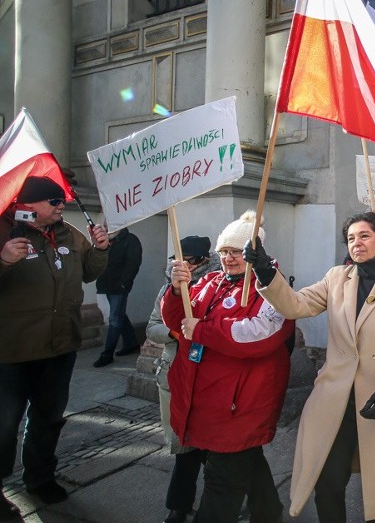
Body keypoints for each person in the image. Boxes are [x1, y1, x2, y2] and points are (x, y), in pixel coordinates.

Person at [245, 211, 375, 522]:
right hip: (335, 401)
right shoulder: (336, 277)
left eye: (364, 236)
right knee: (328, 482)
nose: (357, 243)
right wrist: (265, 271)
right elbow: (296, 304)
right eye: (351, 238)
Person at [160, 211, 293, 523]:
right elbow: (178, 322)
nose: (229, 259)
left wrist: (203, 330)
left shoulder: (272, 288)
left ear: (253, 253)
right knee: (246, 458)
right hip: (209, 400)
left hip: (240, 404)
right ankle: (269, 513)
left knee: (222, 485)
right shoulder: (210, 282)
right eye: (224, 252)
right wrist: (177, 291)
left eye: (236, 252)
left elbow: (257, 337)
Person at [0, 176, 109, 517]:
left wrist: (102, 249)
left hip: (59, 346)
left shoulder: (69, 233)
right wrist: (3, 261)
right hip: (12, 351)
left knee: (48, 418)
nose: (61, 206)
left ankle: (40, 477)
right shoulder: (5, 231)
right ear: (29, 204)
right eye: (53, 201)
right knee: (4, 424)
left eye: (62, 201)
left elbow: (89, 273)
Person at [146, 235, 219, 523]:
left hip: (208, 375)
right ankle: (178, 505)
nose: (186, 265)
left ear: (204, 260)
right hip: (176, 372)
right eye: (181, 259)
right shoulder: (169, 288)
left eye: (193, 259)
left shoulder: (217, 285)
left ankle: (225, 502)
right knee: (184, 447)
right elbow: (153, 327)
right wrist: (175, 333)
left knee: (216, 452)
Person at [93, 226, 143, 367]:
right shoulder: (107, 241)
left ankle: (107, 354)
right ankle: (131, 343)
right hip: (105, 284)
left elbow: (133, 263)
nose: (107, 228)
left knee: (114, 318)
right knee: (119, 314)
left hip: (119, 287)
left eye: (110, 225)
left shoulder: (130, 240)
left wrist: (123, 283)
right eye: (105, 225)